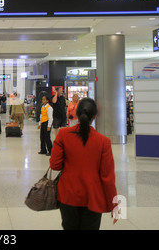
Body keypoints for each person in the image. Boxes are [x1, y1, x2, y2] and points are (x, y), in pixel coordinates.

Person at [49, 98, 118, 230]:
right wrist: (114, 204)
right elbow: (108, 178)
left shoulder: (63, 134)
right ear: (95, 116)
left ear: (77, 113)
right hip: (93, 196)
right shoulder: (104, 142)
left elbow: (55, 165)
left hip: (68, 194)